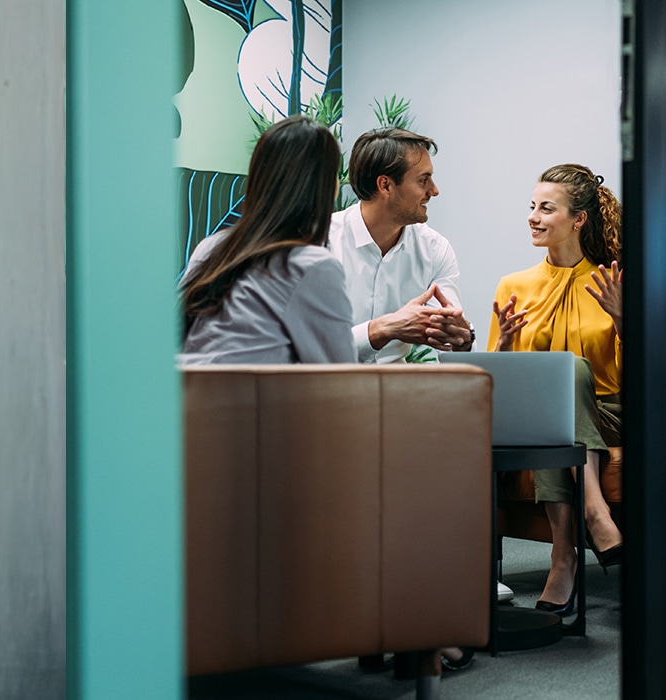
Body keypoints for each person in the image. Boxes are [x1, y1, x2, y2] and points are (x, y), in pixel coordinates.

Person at [489, 163, 627, 616]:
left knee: (566, 376)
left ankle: (564, 556)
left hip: (611, 413)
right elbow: (498, 383)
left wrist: (625, 319)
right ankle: (590, 520)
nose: (533, 216)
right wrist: (506, 344)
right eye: (532, 206)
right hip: (549, 418)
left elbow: (644, 375)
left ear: (578, 218)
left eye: (546, 208)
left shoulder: (612, 280)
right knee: (552, 409)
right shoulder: (514, 286)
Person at [179, 116, 352, 364]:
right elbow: (341, 377)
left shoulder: (213, 247)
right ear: (323, 185)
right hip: (247, 402)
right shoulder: (311, 265)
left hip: (184, 399)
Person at [329, 128, 473, 362]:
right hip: (327, 389)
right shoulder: (321, 243)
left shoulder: (435, 249)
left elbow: (452, 340)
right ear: (385, 185)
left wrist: (462, 338)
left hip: (401, 391)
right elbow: (306, 349)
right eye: (423, 180)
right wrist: (381, 329)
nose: (434, 191)